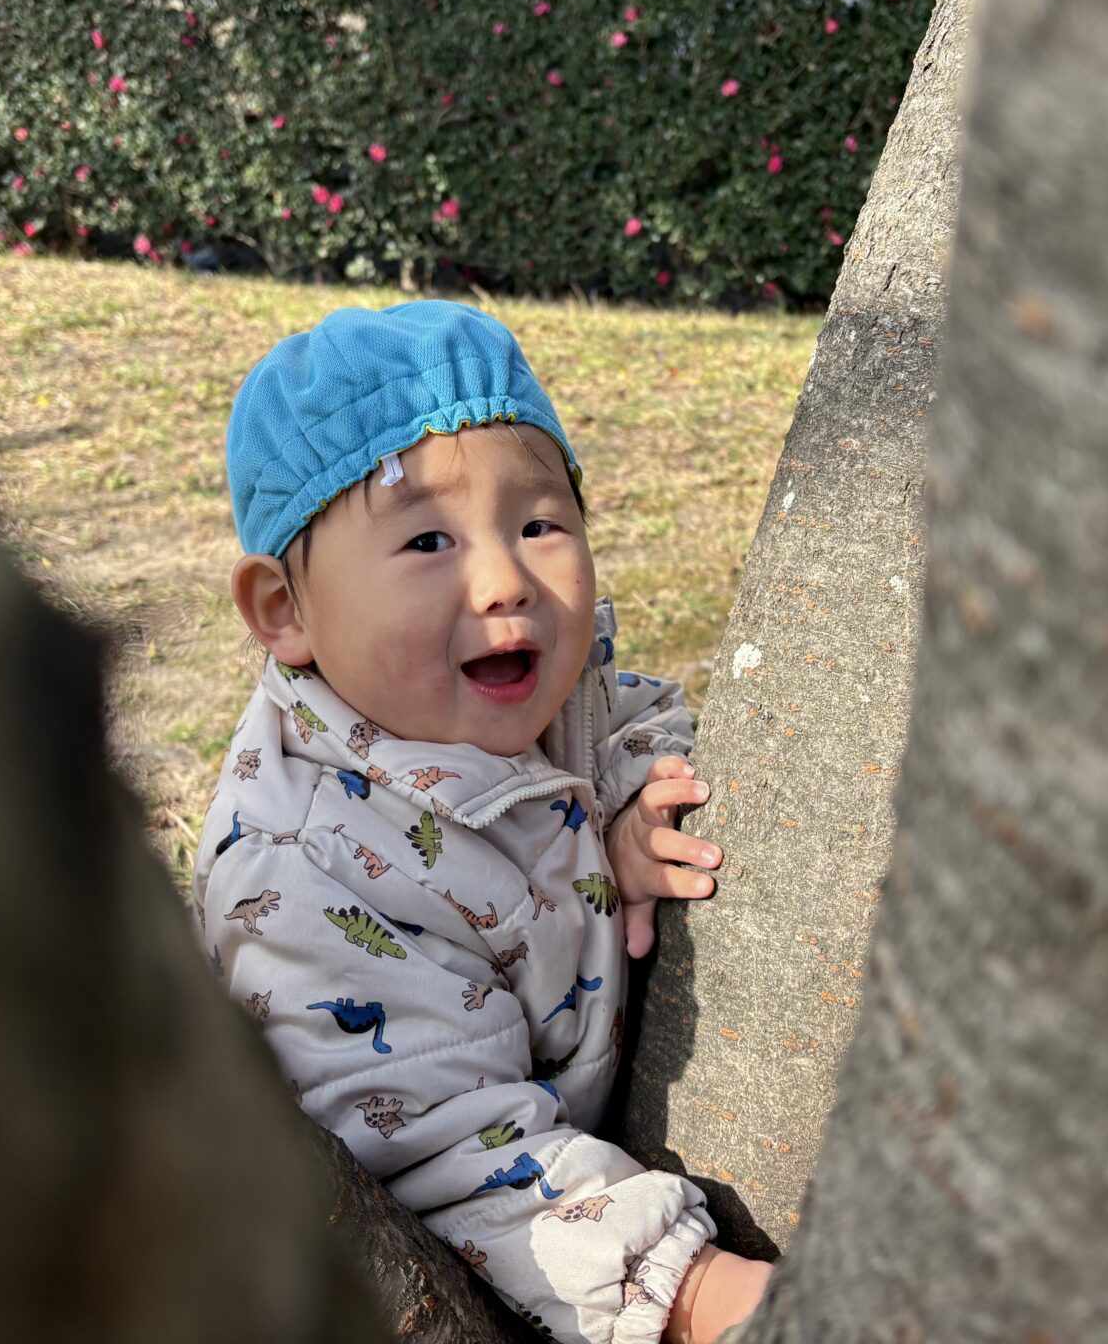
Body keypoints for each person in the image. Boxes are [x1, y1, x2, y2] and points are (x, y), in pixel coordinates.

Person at [193, 300, 773, 1344]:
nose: (506, 580)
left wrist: (629, 808)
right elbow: (441, 1150)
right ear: (285, 610)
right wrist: (688, 1292)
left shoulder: (549, 691)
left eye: (539, 524)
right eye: (428, 540)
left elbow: (636, 712)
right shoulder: (307, 874)